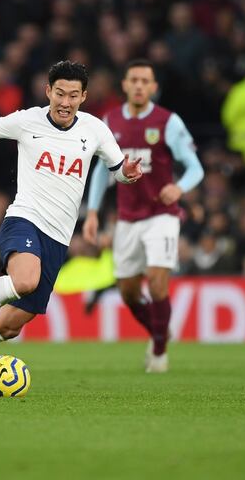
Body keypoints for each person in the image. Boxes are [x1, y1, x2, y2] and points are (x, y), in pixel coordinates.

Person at [0, 60, 143, 395]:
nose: (65, 102)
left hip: (57, 239)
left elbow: (117, 169)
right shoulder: (26, 121)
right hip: (24, 219)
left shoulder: (95, 129)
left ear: (83, 97)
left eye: (73, 95)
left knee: (9, 326)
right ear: (48, 91)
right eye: (59, 93)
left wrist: (128, 174)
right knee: (25, 280)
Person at [82, 59, 204, 373]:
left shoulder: (168, 122)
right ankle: (160, 330)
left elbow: (196, 168)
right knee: (129, 292)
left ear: (153, 87)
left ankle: (159, 353)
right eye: (133, 80)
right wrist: (93, 212)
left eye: (144, 81)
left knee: (158, 282)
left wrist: (178, 188)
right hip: (126, 219)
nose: (138, 85)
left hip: (161, 214)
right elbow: (101, 171)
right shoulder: (110, 122)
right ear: (124, 85)